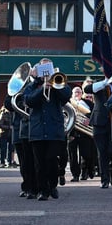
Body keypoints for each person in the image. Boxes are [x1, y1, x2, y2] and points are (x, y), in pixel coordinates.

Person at [24, 58, 72, 201]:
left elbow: (66, 96)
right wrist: (42, 88)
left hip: (54, 130)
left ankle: (52, 185)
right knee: (39, 163)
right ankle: (43, 191)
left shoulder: (58, 83)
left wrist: (54, 85)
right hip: (37, 130)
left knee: (51, 160)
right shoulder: (32, 86)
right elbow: (28, 101)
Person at [83, 77, 112, 189]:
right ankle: (104, 179)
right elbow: (87, 89)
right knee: (102, 152)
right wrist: (104, 83)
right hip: (99, 122)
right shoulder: (99, 85)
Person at [68, 86, 94, 182]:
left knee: (86, 154)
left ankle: (85, 171)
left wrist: (89, 119)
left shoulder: (88, 103)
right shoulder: (68, 103)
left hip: (85, 132)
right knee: (73, 155)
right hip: (72, 132)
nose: (77, 93)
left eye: (79, 92)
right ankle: (75, 175)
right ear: (72, 94)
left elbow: (93, 113)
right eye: (75, 92)